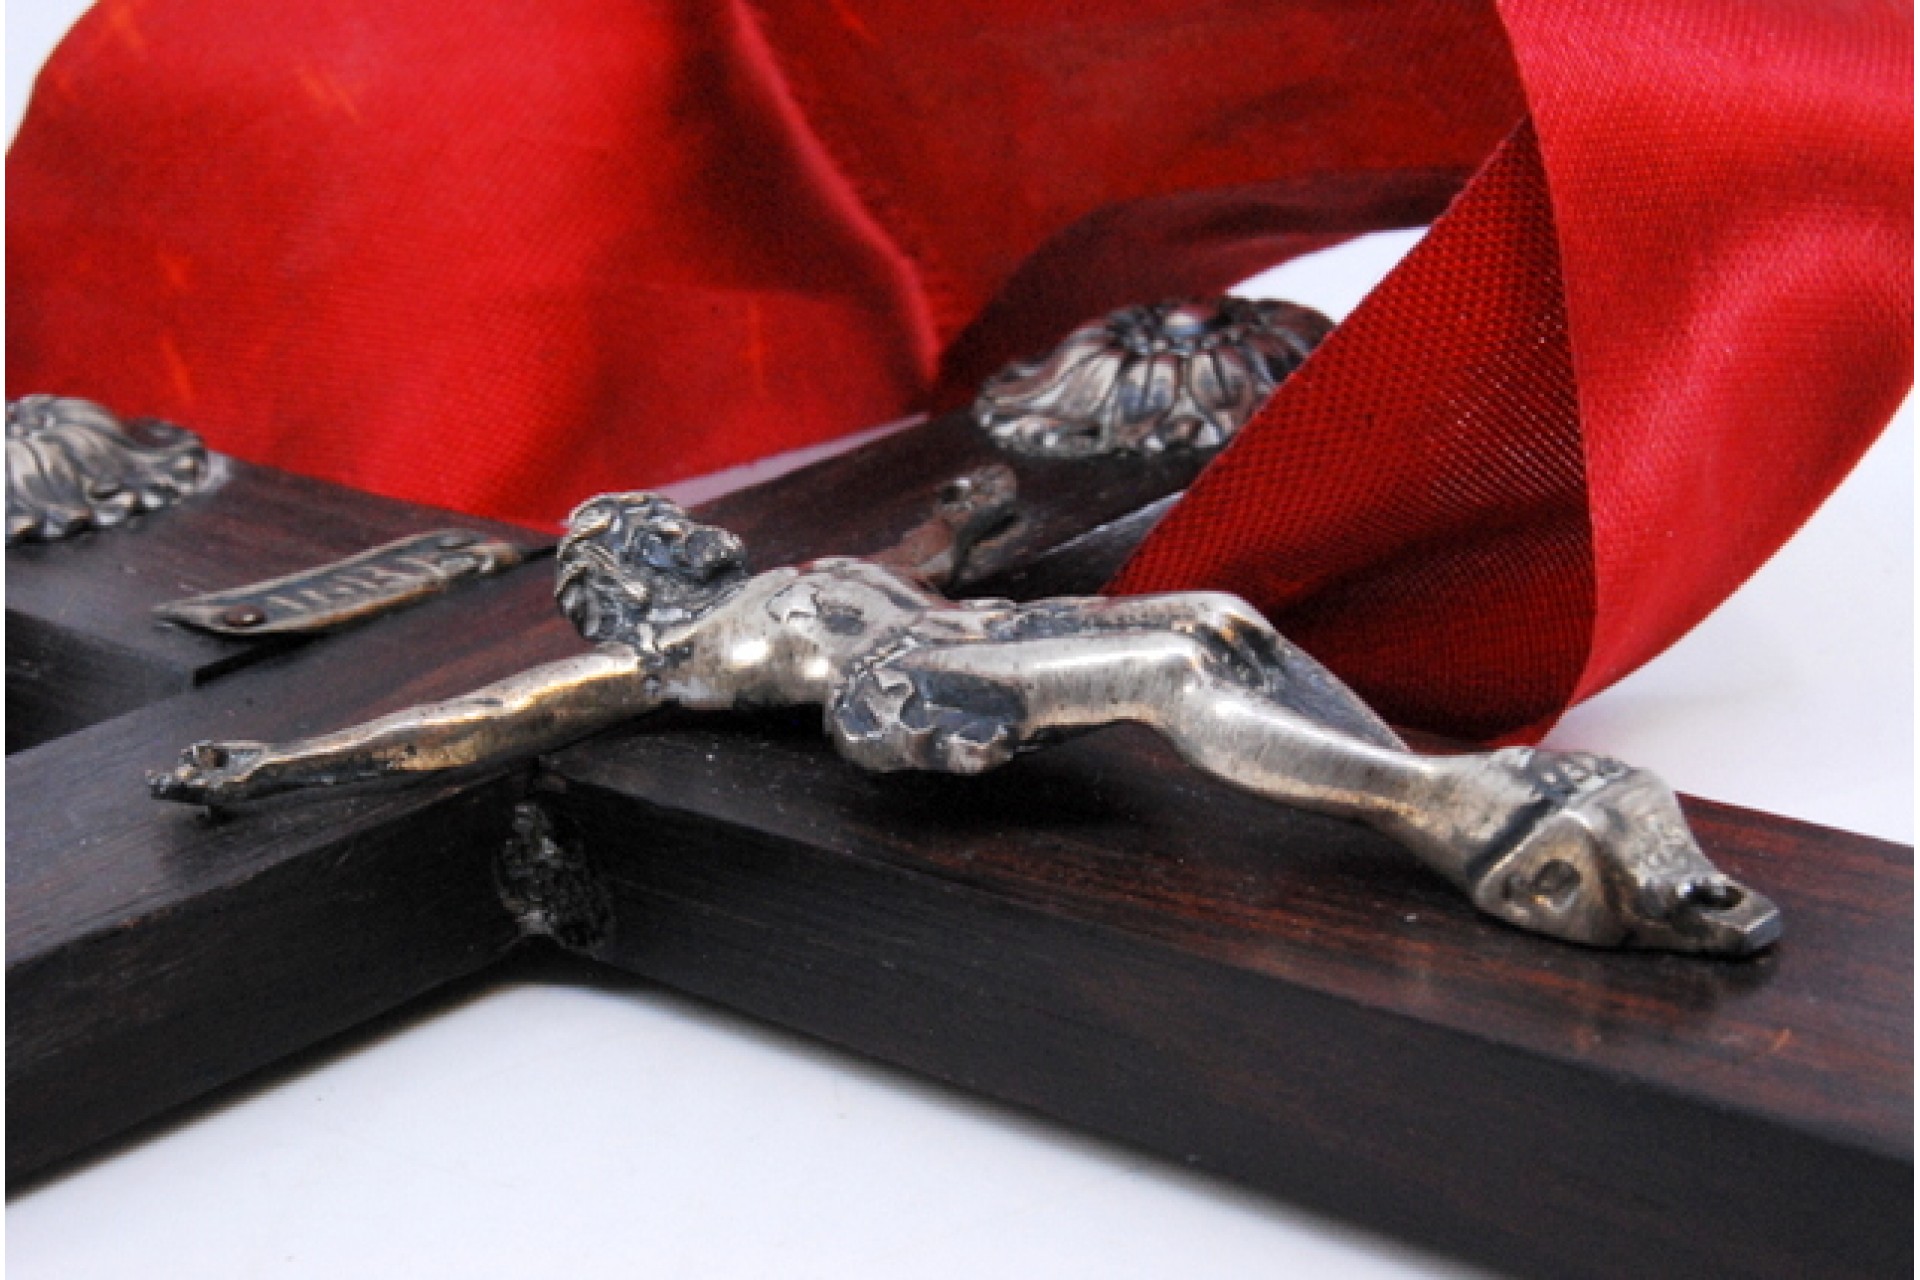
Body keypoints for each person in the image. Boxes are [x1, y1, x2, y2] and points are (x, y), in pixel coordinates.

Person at [151, 488, 1780, 956]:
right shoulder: (669, 656)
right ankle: (1458, 820)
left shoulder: (796, 568)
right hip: (917, 699)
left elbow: (929, 544)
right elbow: (478, 718)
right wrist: (286, 764)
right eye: (636, 540)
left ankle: (1432, 789)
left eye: (655, 521)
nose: (669, 534)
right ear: (625, 584)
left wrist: (983, 510)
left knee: (1219, 622)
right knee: (1167, 682)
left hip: (975, 631)